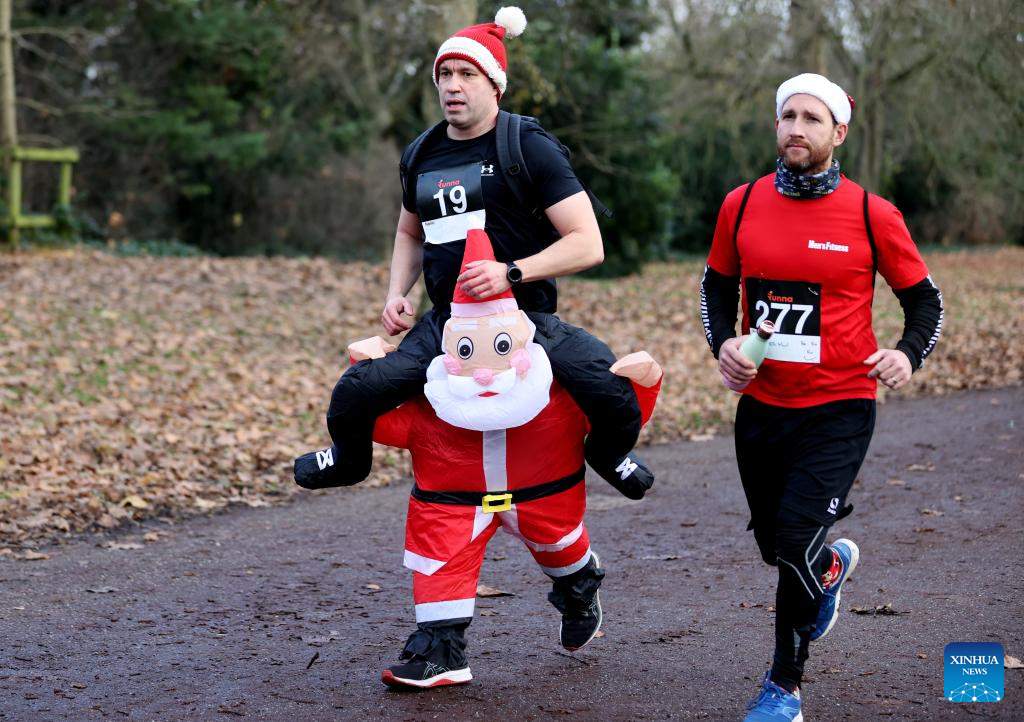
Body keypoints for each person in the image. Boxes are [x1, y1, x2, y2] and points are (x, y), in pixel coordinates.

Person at [294, 6, 654, 499]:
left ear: (495, 85)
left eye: (467, 74)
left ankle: (608, 454)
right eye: (444, 74)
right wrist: (397, 292)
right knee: (358, 390)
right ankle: (349, 460)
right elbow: (410, 234)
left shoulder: (527, 145)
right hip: (448, 321)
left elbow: (587, 244)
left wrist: (512, 273)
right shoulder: (422, 153)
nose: (452, 86)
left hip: (524, 318)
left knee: (609, 390)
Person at [700, 72, 943, 722]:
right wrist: (722, 342)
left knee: (795, 541)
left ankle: (784, 689)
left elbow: (925, 300)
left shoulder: (871, 212)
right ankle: (828, 570)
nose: (797, 129)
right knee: (778, 548)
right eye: (788, 116)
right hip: (763, 407)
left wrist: (905, 354)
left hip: (840, 405)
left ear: (838, 132)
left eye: (812, 118)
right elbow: (716, 287)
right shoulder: (742, 205)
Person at [347, 229, 662, 688]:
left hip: (545, 495)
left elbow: (613, 416)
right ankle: (441, 653)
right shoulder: (434, 401)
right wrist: (362, 374)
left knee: (562, 549)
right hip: (453, 503)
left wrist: (643, 383)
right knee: (440, 564)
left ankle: (580, 589)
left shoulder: (554, 390)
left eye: (498, 349)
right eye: (468, 351)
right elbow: (382, 424)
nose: (484, 372)